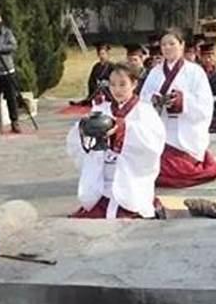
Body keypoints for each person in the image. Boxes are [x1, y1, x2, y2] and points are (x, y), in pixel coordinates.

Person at [67, 62, 166, 219]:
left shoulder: (144, 110)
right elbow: (76, 140)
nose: (117, 90)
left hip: (130, 176)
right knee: (96, 210)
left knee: (128, 208)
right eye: (112, 84)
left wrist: (123, 129)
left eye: (122, 84)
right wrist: (84, 129)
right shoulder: (102, 109)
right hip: (103, 174)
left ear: (134, 84)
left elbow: (153, 143)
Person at [139, 28, 216, 188]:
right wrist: (154, 102)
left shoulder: (195, 72)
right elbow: (143, 101)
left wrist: (182, 102)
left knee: (174, 168)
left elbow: (205, 106)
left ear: (182, 45)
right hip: (162, 130)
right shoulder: (154, 72)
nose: (167, 48)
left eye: (172, 43)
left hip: (186, 132)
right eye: (164, 44)